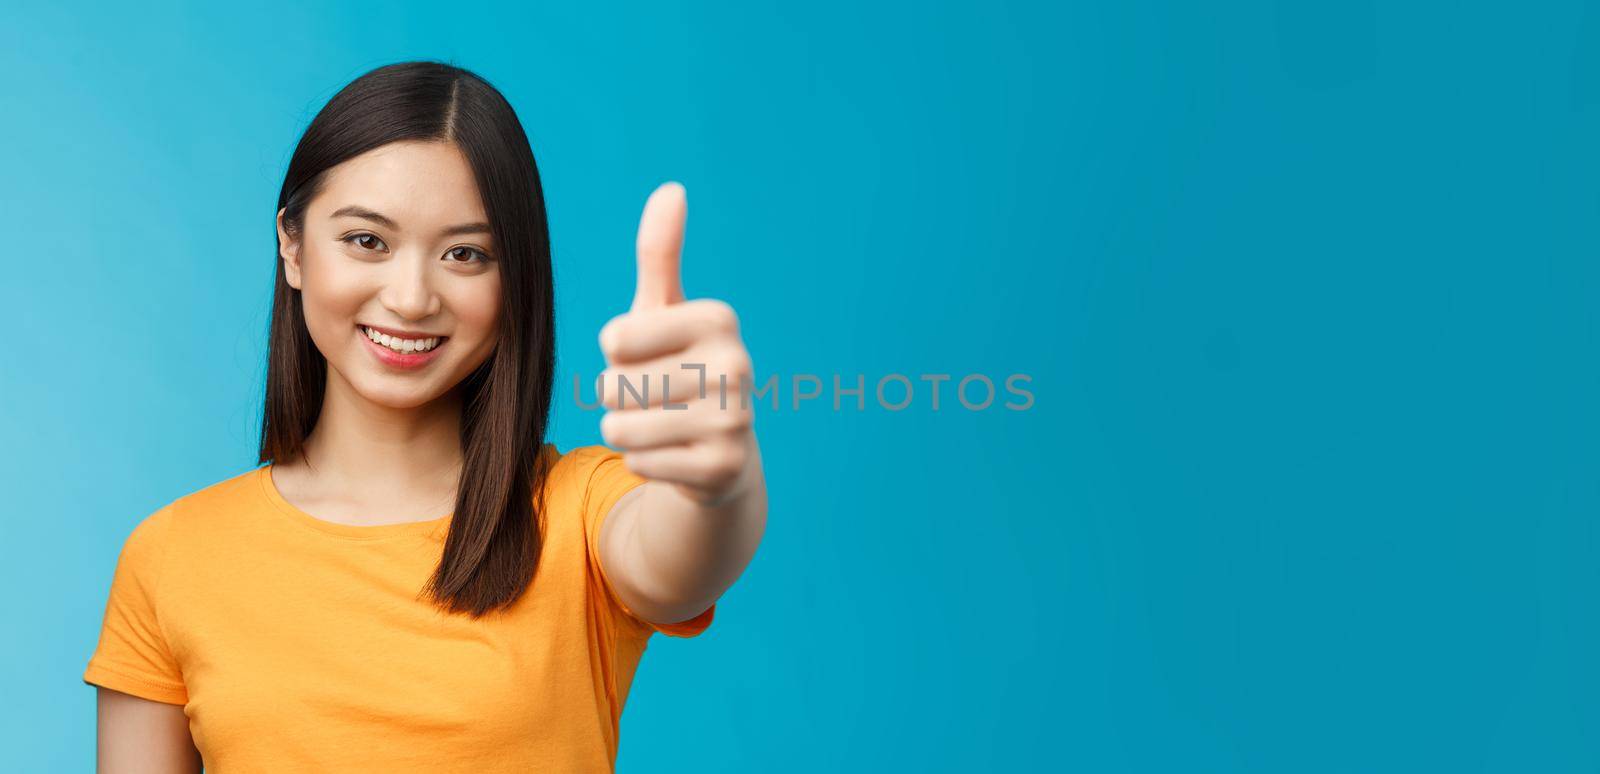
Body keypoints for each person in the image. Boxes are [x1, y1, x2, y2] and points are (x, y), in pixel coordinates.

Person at [81, 60, 767, 772]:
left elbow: (681, 557)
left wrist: (719, 483)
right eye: (367, 241)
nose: (411, 298)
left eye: (465, 254)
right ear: (292, 244)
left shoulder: (579, 511)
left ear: (515, 281)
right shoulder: (172, 557)